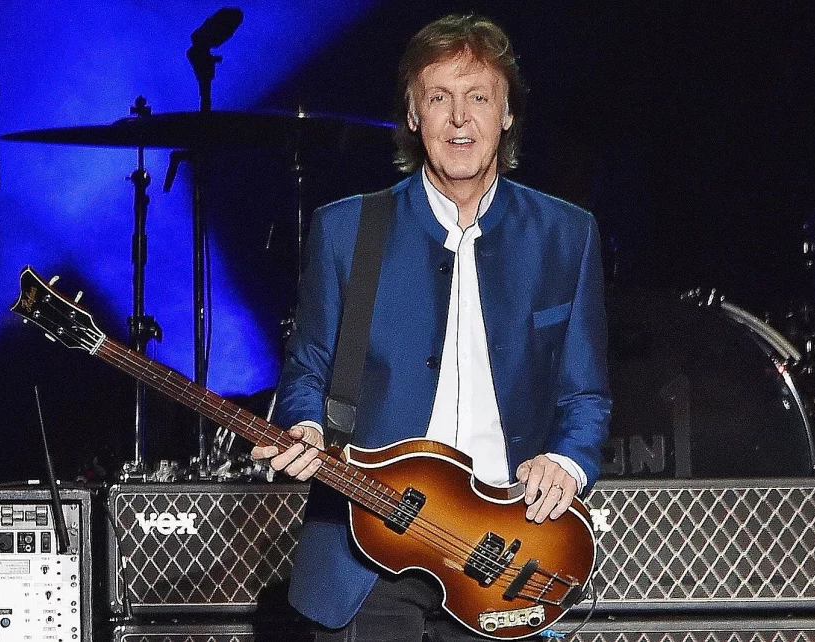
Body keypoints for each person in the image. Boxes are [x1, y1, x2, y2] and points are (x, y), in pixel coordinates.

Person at [251, 13, 611, 642]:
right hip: (365, 555)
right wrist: (305, 424)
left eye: (479, 97)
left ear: (507, 113)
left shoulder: (566, 235)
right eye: (439, 98)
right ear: (414, 115)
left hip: (504, 553)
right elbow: (308, 369)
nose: (459, 118)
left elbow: (586, 396)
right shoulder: (346, 231)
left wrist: (565, 462)